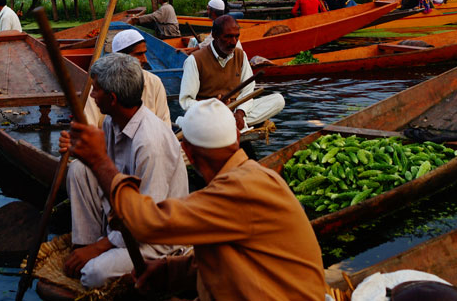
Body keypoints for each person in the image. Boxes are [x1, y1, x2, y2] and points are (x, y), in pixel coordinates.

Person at [62, 98, 325, 300]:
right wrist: (170, 272)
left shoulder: (239, 190)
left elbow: (146, 224)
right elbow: (221, 256)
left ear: (186, 150)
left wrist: (99, 161)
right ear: (236, 138)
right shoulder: (249, 178)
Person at [60, 53, 189, 289]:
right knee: (78, 168)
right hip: (124, 220)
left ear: (112, 98)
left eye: (96, 90)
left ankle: (95, 251)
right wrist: (79, 151)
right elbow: (106, 174)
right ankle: (84, 245)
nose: (91, 95)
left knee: (92, 274)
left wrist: (101, 247)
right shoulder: (111, 122)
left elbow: (148, 223)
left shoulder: (149, 143)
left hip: (155, 239)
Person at [180, 15, 285, 132]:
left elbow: (248, 90)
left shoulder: (240, 55)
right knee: (198, 118)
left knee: (278, 99)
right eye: (228, 37)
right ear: (215, 36)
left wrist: (240, 113)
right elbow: (186, 101)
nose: (234, 42)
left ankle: (235, 121)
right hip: (209, 114)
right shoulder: (194, 60)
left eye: (237, 36)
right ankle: (230, 123)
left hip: (235, 109)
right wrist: (212, 106)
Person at [83, 30, 170, 129]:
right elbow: (88, 126)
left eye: (144, 53)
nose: (145, 60)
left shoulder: (154, 82)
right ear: (121, 59)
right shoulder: (98, 87)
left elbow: (165, 125)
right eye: (139, 54)